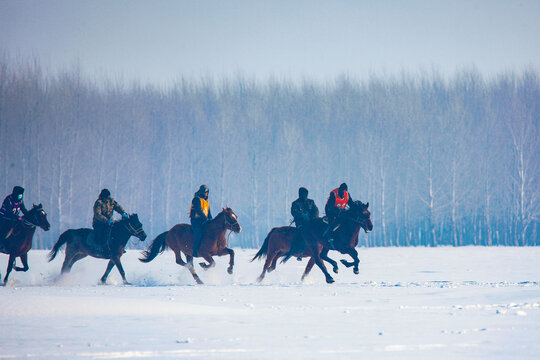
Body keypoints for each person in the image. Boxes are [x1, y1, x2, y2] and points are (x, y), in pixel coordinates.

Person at [290, 187, 319, 260]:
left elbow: (316, 210)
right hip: (301, 223)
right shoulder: (295, 203)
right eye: (302, 194)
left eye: (305, 194)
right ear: (299, 194)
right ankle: (300, 251)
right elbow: (294, 212)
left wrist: (313, 217)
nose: (304, 195)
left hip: (312, 222)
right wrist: (302, 215)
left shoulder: (311, 202)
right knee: (301, 235)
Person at [323, 183, 354, 249]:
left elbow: (351, 203)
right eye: (342, 191)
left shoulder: (347, 194)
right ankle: (329, 236)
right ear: (339, 189)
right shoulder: (334, 194)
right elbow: (330, 206)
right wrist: (337, 210)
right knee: (333, 222)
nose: (343, 193)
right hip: (330, 211)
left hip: (341, 211)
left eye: (344, 191)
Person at [190, 185, 212, 257]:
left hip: (203, 220)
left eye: (207, 192)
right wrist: (206, 219)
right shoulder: (196, 199)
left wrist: (211, 220)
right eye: (206, 192)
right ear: (203, 192)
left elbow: (208, 212)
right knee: (198, 233)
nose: (207, 194)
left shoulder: (206, 200)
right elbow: (198, 210)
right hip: (196, 220)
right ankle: (195, 251)